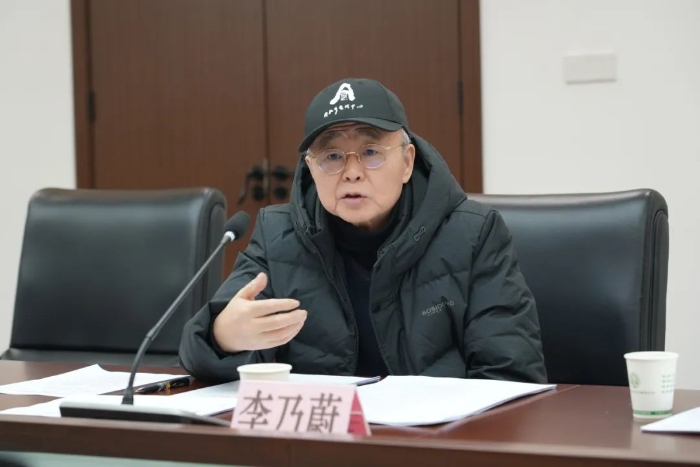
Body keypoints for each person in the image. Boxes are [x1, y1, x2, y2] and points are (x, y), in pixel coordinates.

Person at [179, 78, 547, 383]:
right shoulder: (278, 235)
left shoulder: (474, 235)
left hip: (435, 437)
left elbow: (511, 374)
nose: (352, 173)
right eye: (332, 156)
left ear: (407, 162)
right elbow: (199, 354)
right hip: (323, 437)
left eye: (371, 152)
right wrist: (223, 336)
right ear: (311, 168)